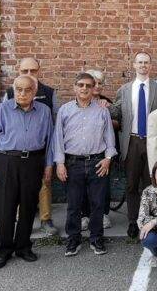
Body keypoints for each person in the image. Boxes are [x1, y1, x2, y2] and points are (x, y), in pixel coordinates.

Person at [0, 75, 54, 269]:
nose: (23, 93)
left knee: (29, 207)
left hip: (34, 162)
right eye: (19, 89)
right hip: (6, 162)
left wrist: (48, 165)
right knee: (6, 208)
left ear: (34, 92)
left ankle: (23, 247)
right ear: (14, 90)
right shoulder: (1, 110)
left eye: (27, 89)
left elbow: (50, 140)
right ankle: (3, 250)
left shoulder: (44, 111)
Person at [53, 73, 117, 257]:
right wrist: (60, 163)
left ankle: (96, 238)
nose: (84, 88)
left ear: (93, 88)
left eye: (88, 85)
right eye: (80, 85)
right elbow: (58, 139)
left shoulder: (102, 110)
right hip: (73, 163)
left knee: (97, 203)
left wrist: (108, 159)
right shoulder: (65, 111)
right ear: (74, 87)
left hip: (98, 162)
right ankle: (73, 239)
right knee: (74, 204)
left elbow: (109, 138)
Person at [109, 52, 157, 238]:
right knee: (131, 184)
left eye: (146, 62)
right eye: (140, 62)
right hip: (131, 141)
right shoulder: (124, 90)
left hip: (152, 141)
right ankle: (133, 221)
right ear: (134, 65)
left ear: (151, 66)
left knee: (151, 184)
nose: (143, 65)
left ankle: (149, 220)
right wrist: (104, 107)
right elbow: (115, 113)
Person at [4, 58, 60, 236]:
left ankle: (45, 219)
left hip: (41, 149)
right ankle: (20, 219)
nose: (29, 74)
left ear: (39, 71)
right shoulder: (9, 92)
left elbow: (55, 122)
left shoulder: (49, 92)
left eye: (33, 71)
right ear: (18, 71)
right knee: (18, 186)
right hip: (16, 152)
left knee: (45, 183)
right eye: (24, 71)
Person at [81, 68, 115, 230]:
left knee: (103, 186)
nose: (97, 85)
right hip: (82, 151)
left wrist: (107, 111)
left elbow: (118, 123)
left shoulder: (106, 102)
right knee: (82, 186)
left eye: (101, 83)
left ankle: (103, 214)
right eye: (95, 82)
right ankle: (85, 215)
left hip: (102, 152)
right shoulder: (77, 101)